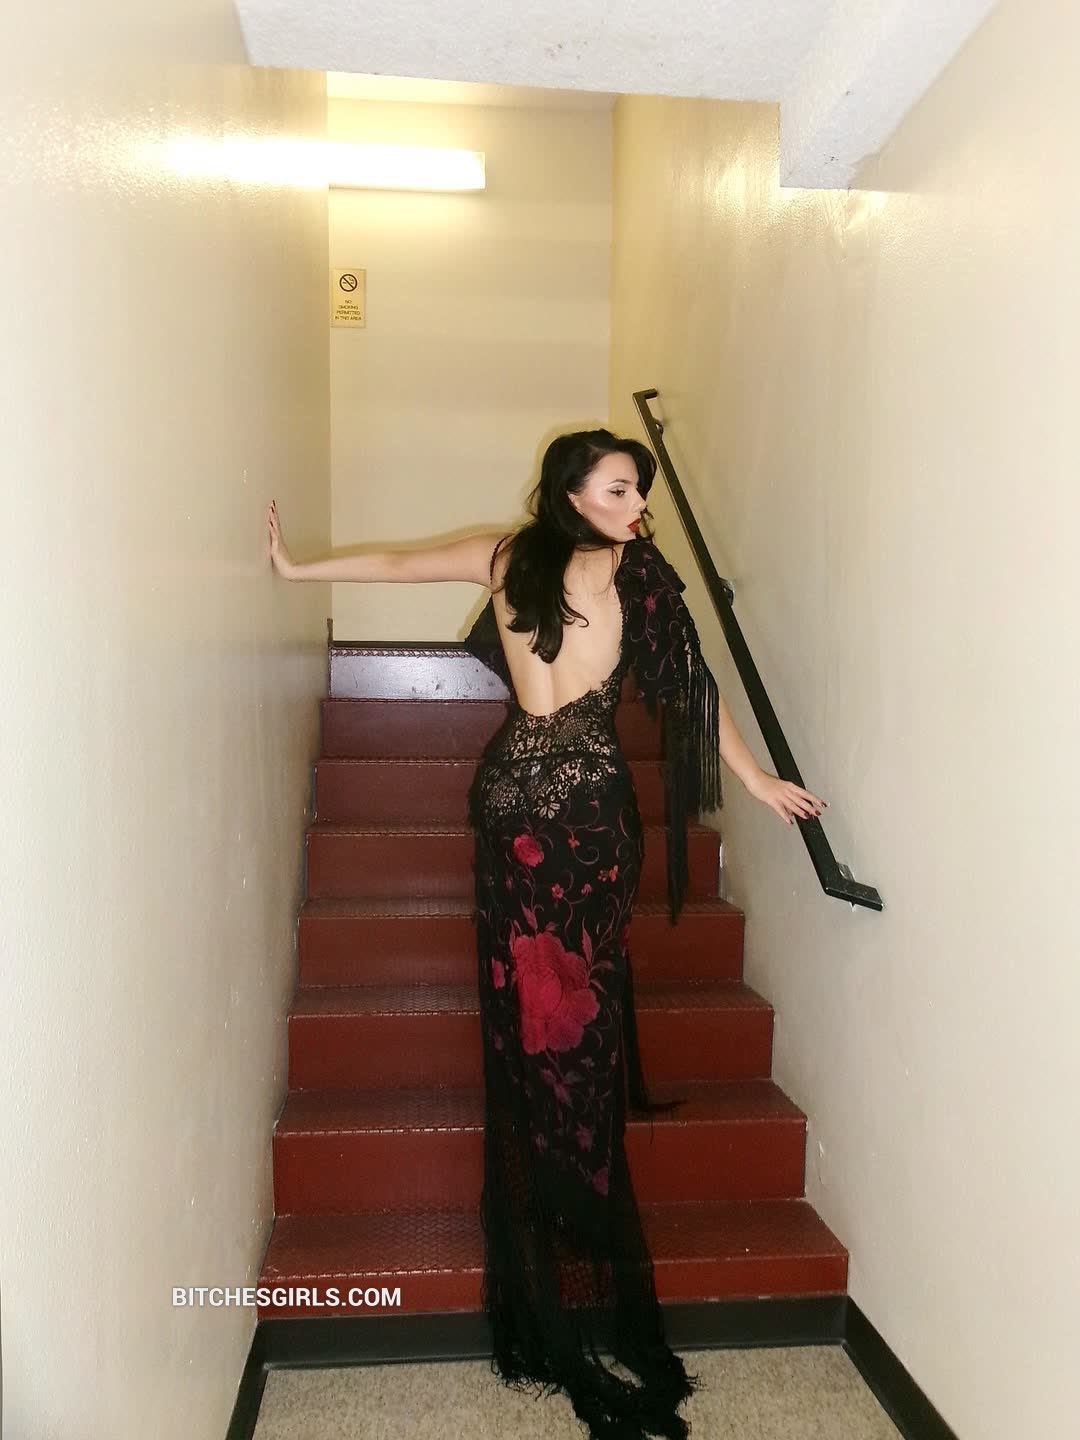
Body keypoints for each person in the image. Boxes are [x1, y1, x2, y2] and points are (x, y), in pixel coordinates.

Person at [266, 430, 826, 1439]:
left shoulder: (506, 556)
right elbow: (695, 692)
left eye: (639, 490)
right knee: (578, 1012)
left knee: (529, 1008)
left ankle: (548, 1213)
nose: (637, 505)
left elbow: (396, 563)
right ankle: (580, 1203)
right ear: (572, 492)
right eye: (619, 489)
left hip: (509, 799)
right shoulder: (637, 579)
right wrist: (753, 781)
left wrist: (299, 568)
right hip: (588, 809)